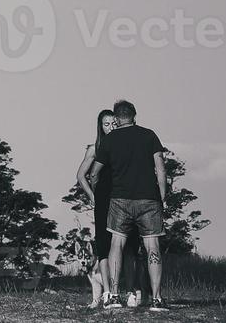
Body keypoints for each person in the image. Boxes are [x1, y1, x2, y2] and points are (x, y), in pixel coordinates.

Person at [89, 99, 170, 312]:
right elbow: (161, 168)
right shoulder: (149, 135)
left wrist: (98, 191)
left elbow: (94, 172)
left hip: (120, 200)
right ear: (135, 115)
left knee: (117, 245)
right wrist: (162, 197)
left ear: (116, 118)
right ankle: (157, 300)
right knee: (152, 247)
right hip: (149, 199)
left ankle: (114, 296)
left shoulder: (110, 140)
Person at [76, 110, 144, 308]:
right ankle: (107, 293)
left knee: (130, 246)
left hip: (126, 201)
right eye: (106, 124)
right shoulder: (94, 148)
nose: (110, 127)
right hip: (104, 202)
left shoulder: (126, 147)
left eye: (113, 123)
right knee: (104, 248)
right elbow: (81, 176)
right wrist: (93, 197)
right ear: (100, 127)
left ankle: (132, 292)